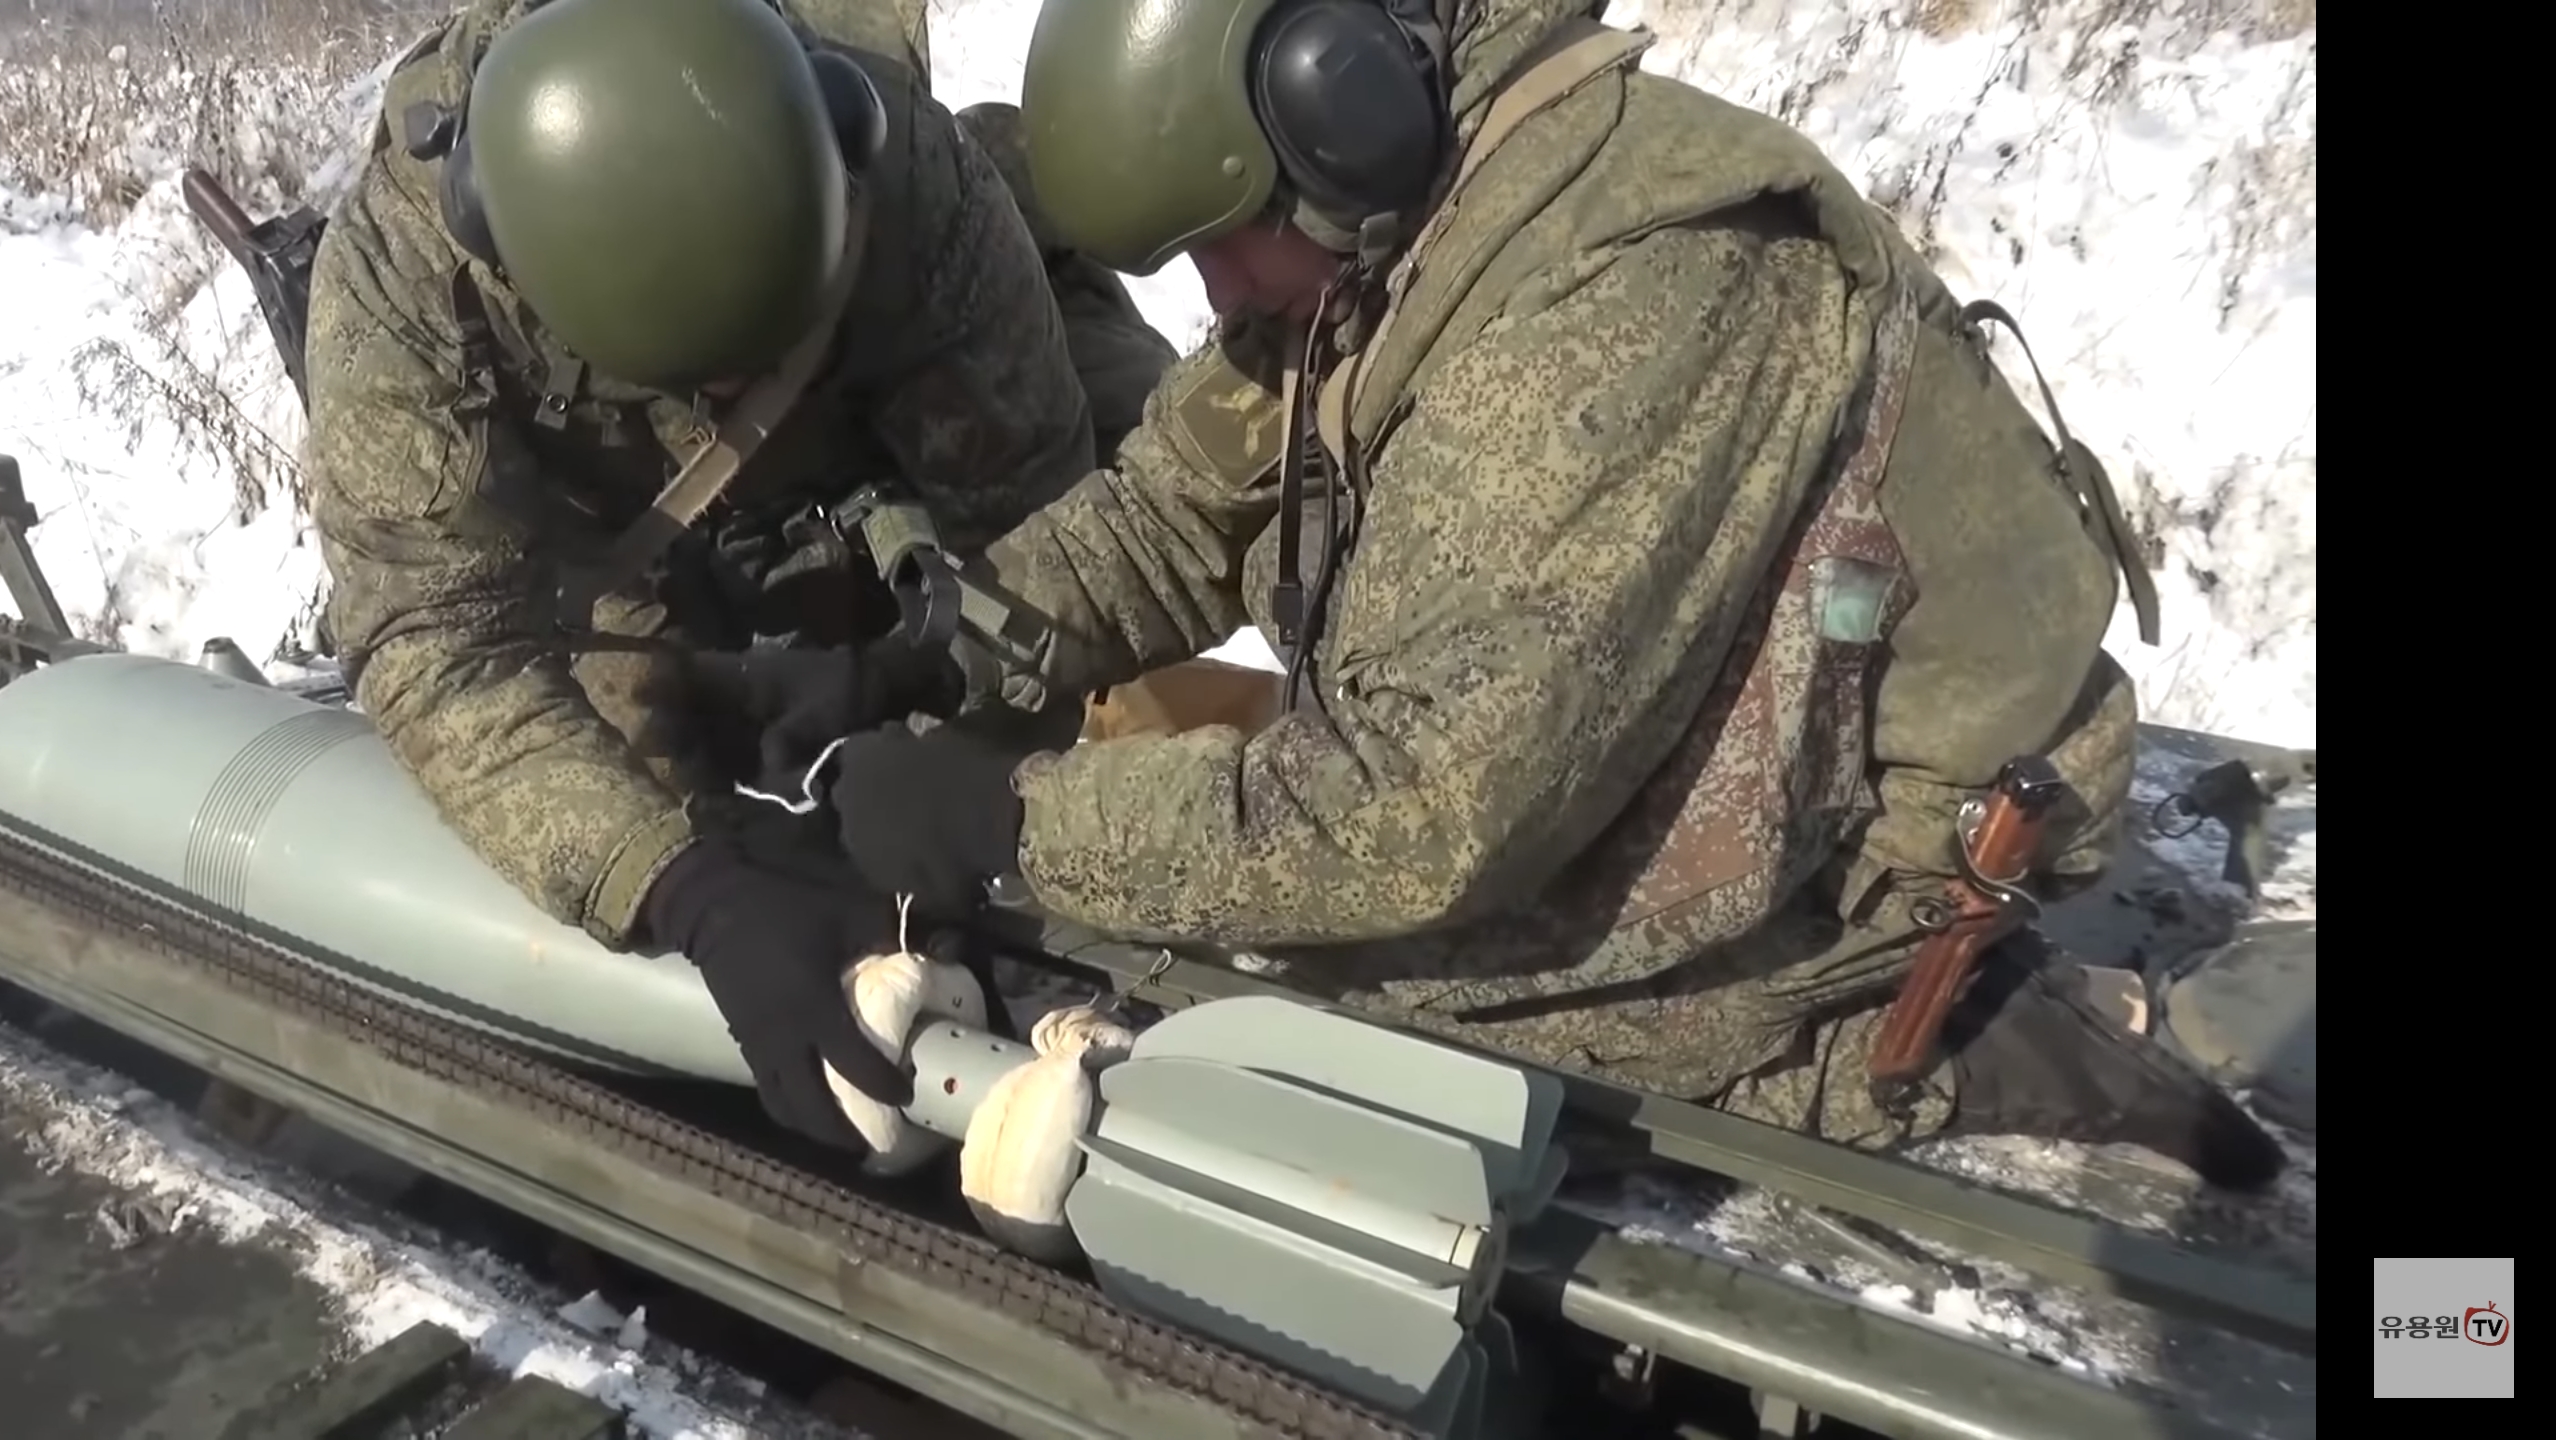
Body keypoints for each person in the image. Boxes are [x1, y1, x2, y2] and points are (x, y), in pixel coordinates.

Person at [702, 0, 2284, 1189]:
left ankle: (1949, 1032)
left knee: (1338, 998)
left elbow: (1414, 815)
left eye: (1223, 243)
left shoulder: (1627, 290)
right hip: (1645, 712)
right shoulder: (1391, 230)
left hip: (1872, 850)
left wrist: (1011, 827)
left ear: (1336, 103)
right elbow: (1175, 513)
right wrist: (933, 655)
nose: (1216, 296)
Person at [298, 0, 1175, 1154]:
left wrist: (940, 701)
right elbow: (436, 645)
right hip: (604, 534)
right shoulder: (403, 281)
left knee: (1135, 481)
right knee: (623, 803)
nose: (721, 398)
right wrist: (682, 887)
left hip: (872, 452)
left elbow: (1047, 535)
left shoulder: (920, 184)